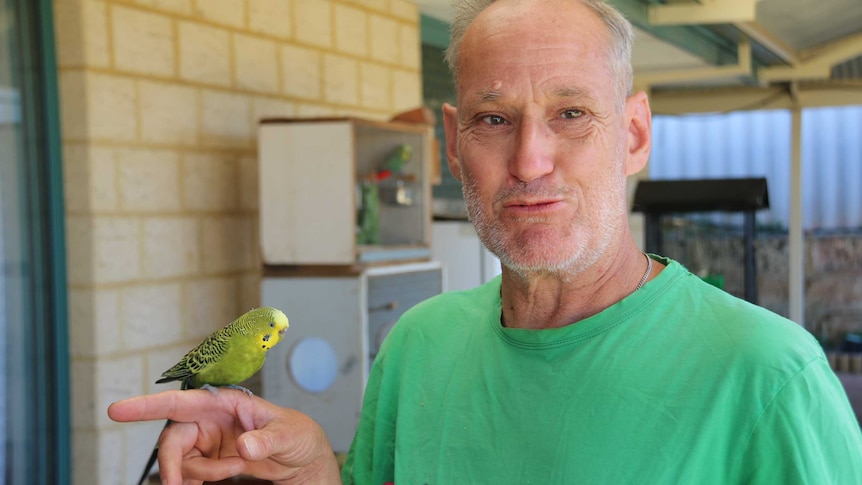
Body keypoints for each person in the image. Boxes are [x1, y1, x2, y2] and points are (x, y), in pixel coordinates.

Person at [109, 0, 862, 483]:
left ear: (633, 134)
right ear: (452, 141)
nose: (530, 160)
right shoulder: (419, 343)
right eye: (494, 119)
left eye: (571, 113)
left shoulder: (767, 376)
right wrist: (310, 473)